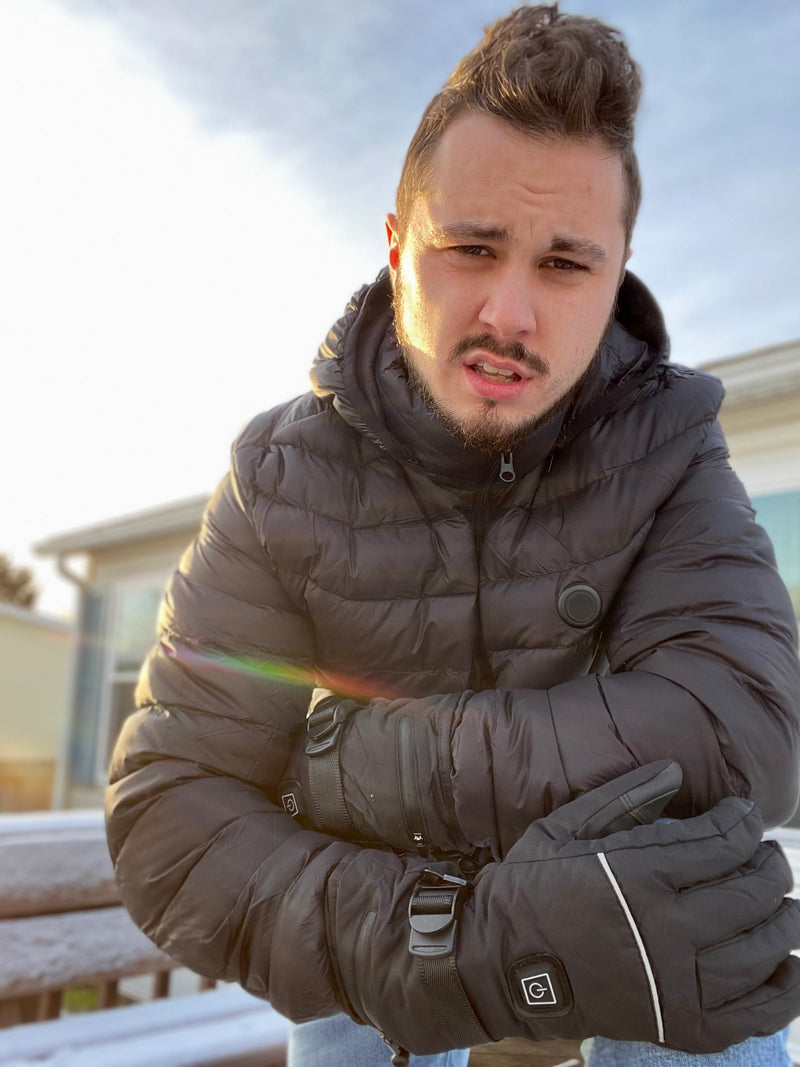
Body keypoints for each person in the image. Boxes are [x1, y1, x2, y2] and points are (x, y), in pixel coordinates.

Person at [105, 5, 800, 1067]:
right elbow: (171, 807)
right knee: (347, 1000)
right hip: (383, 950)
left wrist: (343, 762)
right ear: (395, 248)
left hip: (634, 935)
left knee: (717, 962)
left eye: (565, 265)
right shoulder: (279, 477)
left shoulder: (670, 447)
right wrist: (453, 938)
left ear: (613, 275)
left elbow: (744, 726)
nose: (509, 313)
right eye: (469, 248)